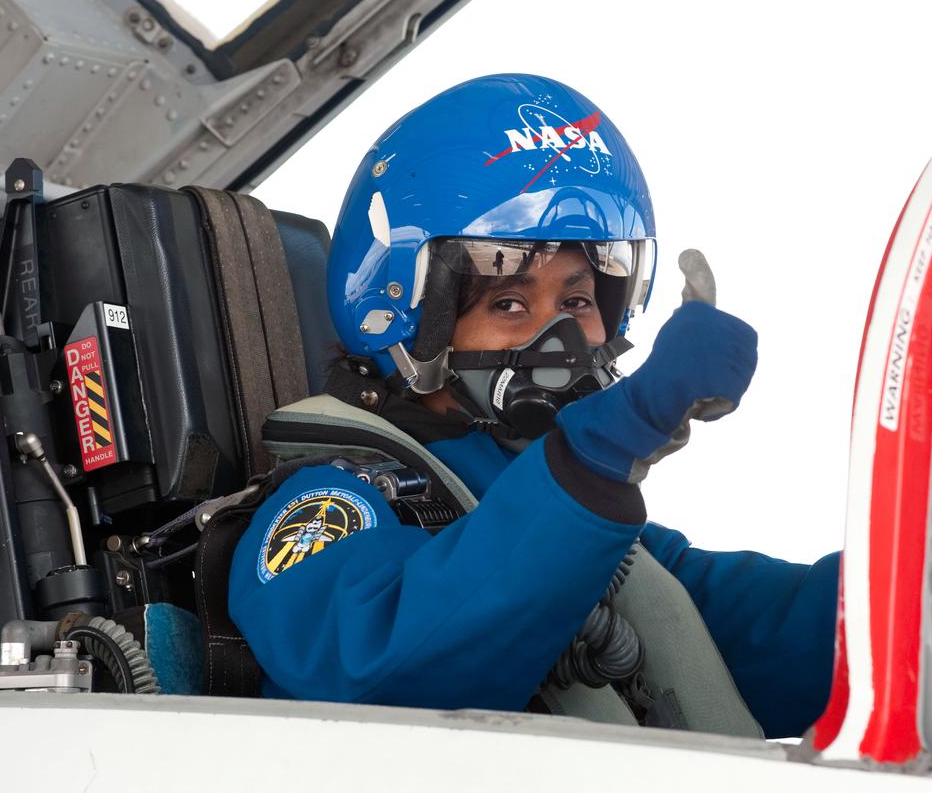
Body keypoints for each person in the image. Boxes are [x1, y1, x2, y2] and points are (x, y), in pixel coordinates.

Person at [228, 74, 839, 739]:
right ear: (405, 316)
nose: (559, 341)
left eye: (577, 303)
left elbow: (755, 630)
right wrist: (598, 454)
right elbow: (382, 672)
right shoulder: (326, 506)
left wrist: (927, 591)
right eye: (509, 304)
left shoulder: (566, 508)